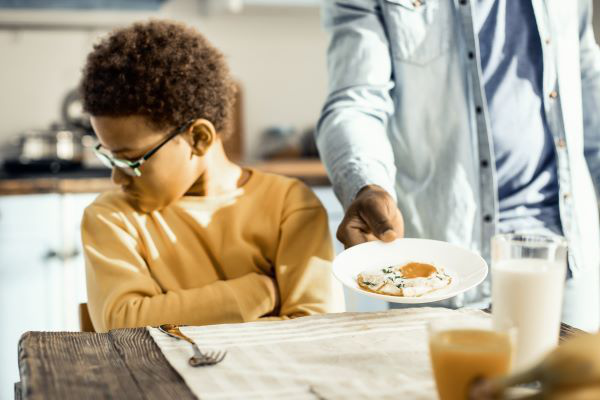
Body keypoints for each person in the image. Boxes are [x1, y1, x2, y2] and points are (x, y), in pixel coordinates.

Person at [317, 0, 600, 331]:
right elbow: (355, 104)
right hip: (446, 269)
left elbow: (585, 76)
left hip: (566, 258)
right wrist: (366, 184)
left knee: (572, 383)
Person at [80, 20, 344, 332]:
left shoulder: (290, 205)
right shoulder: (111, 217)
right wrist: (258, 293)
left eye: (132, 160)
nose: (117, 178)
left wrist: (164, 313)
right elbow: (123, 323)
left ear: (199, 138)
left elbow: (316, 330)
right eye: (109, 157)